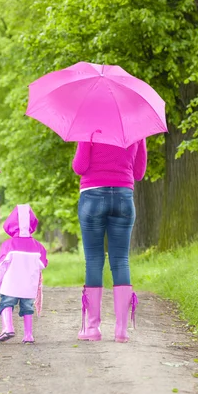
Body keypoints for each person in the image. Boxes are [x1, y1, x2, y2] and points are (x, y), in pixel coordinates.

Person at [72, 136, 146, 343]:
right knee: (121, 260)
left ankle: (92, 328)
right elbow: (139, 173)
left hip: (92, 195)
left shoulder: (89, 126)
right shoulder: (136, 127)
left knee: (94, 260)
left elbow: (79, 167)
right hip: (124, 196)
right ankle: (122, 330)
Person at [0, 204, 48, 343]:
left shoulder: (8, 245)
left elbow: (1, 266)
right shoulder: (38, 246)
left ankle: (8, 328)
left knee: (6, 303)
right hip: (29, 285)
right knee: (27, 307)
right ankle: (28, 335)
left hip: (11, 284)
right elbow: (43, 264)